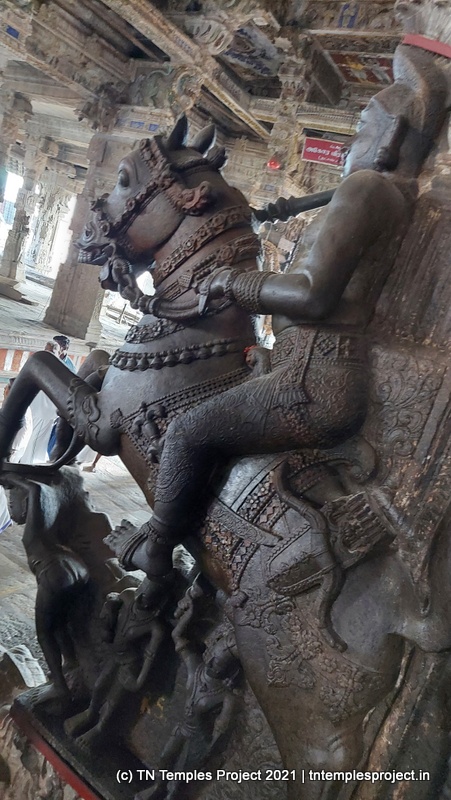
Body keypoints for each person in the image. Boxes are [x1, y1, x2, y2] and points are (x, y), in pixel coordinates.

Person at [108, 44, 450, 604]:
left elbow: (311, 295)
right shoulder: (389, 195)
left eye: (362, 127)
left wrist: (232, 283)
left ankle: (158, 550)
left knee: (189, 432)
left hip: (312, 384)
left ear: (388, 138)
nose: (352, 140)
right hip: (310, 367)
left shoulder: (367, 189)